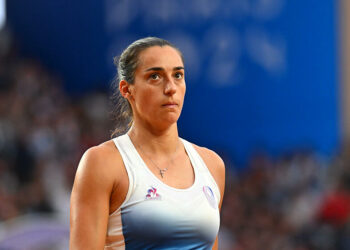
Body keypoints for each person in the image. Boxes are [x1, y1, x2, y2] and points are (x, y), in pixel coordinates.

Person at [70, 37, 225, 249]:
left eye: (178, 75)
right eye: (155, 76)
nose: (171, 87)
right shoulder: (103, 163)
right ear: (126, 89)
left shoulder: (211, 164)